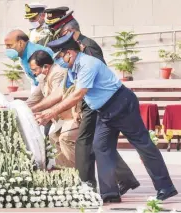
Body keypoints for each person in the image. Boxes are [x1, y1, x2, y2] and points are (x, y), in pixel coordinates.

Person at [34, 32, 178, 202]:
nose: (58, 60)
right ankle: (110, 194)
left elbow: (78, 94)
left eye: (60, 56)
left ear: (69, 53)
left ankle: (165, 187)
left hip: (121, 104)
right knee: (100, 147)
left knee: (143, 144)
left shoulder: (88, 64)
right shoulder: (73, 67)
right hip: (104, 110)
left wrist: (51, 112)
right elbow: (65, 93)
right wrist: (39, 109)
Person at [36, 10, 140, 195]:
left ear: (68, 30)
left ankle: (88, 187)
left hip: (93, 102)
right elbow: (69, 83)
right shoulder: (73, 50)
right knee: (94, 144)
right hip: (86, 101)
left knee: (85, 142)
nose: (57, 37)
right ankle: (123, 178)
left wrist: (75, 107)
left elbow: (92, 81)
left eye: (58, 32)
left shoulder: (88, 47)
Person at [28, 50, 80, 168]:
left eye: (35, 70)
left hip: (71, 115)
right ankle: (65, 172)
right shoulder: (44, 77)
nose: (34, 74)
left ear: (45, 66)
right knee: (53, 137)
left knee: (65, 139)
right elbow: (33, 99)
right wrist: (20, 108)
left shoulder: (57, 73)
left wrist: (36, 109)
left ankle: (79, 173)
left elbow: (56, 96)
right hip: (60, 118)